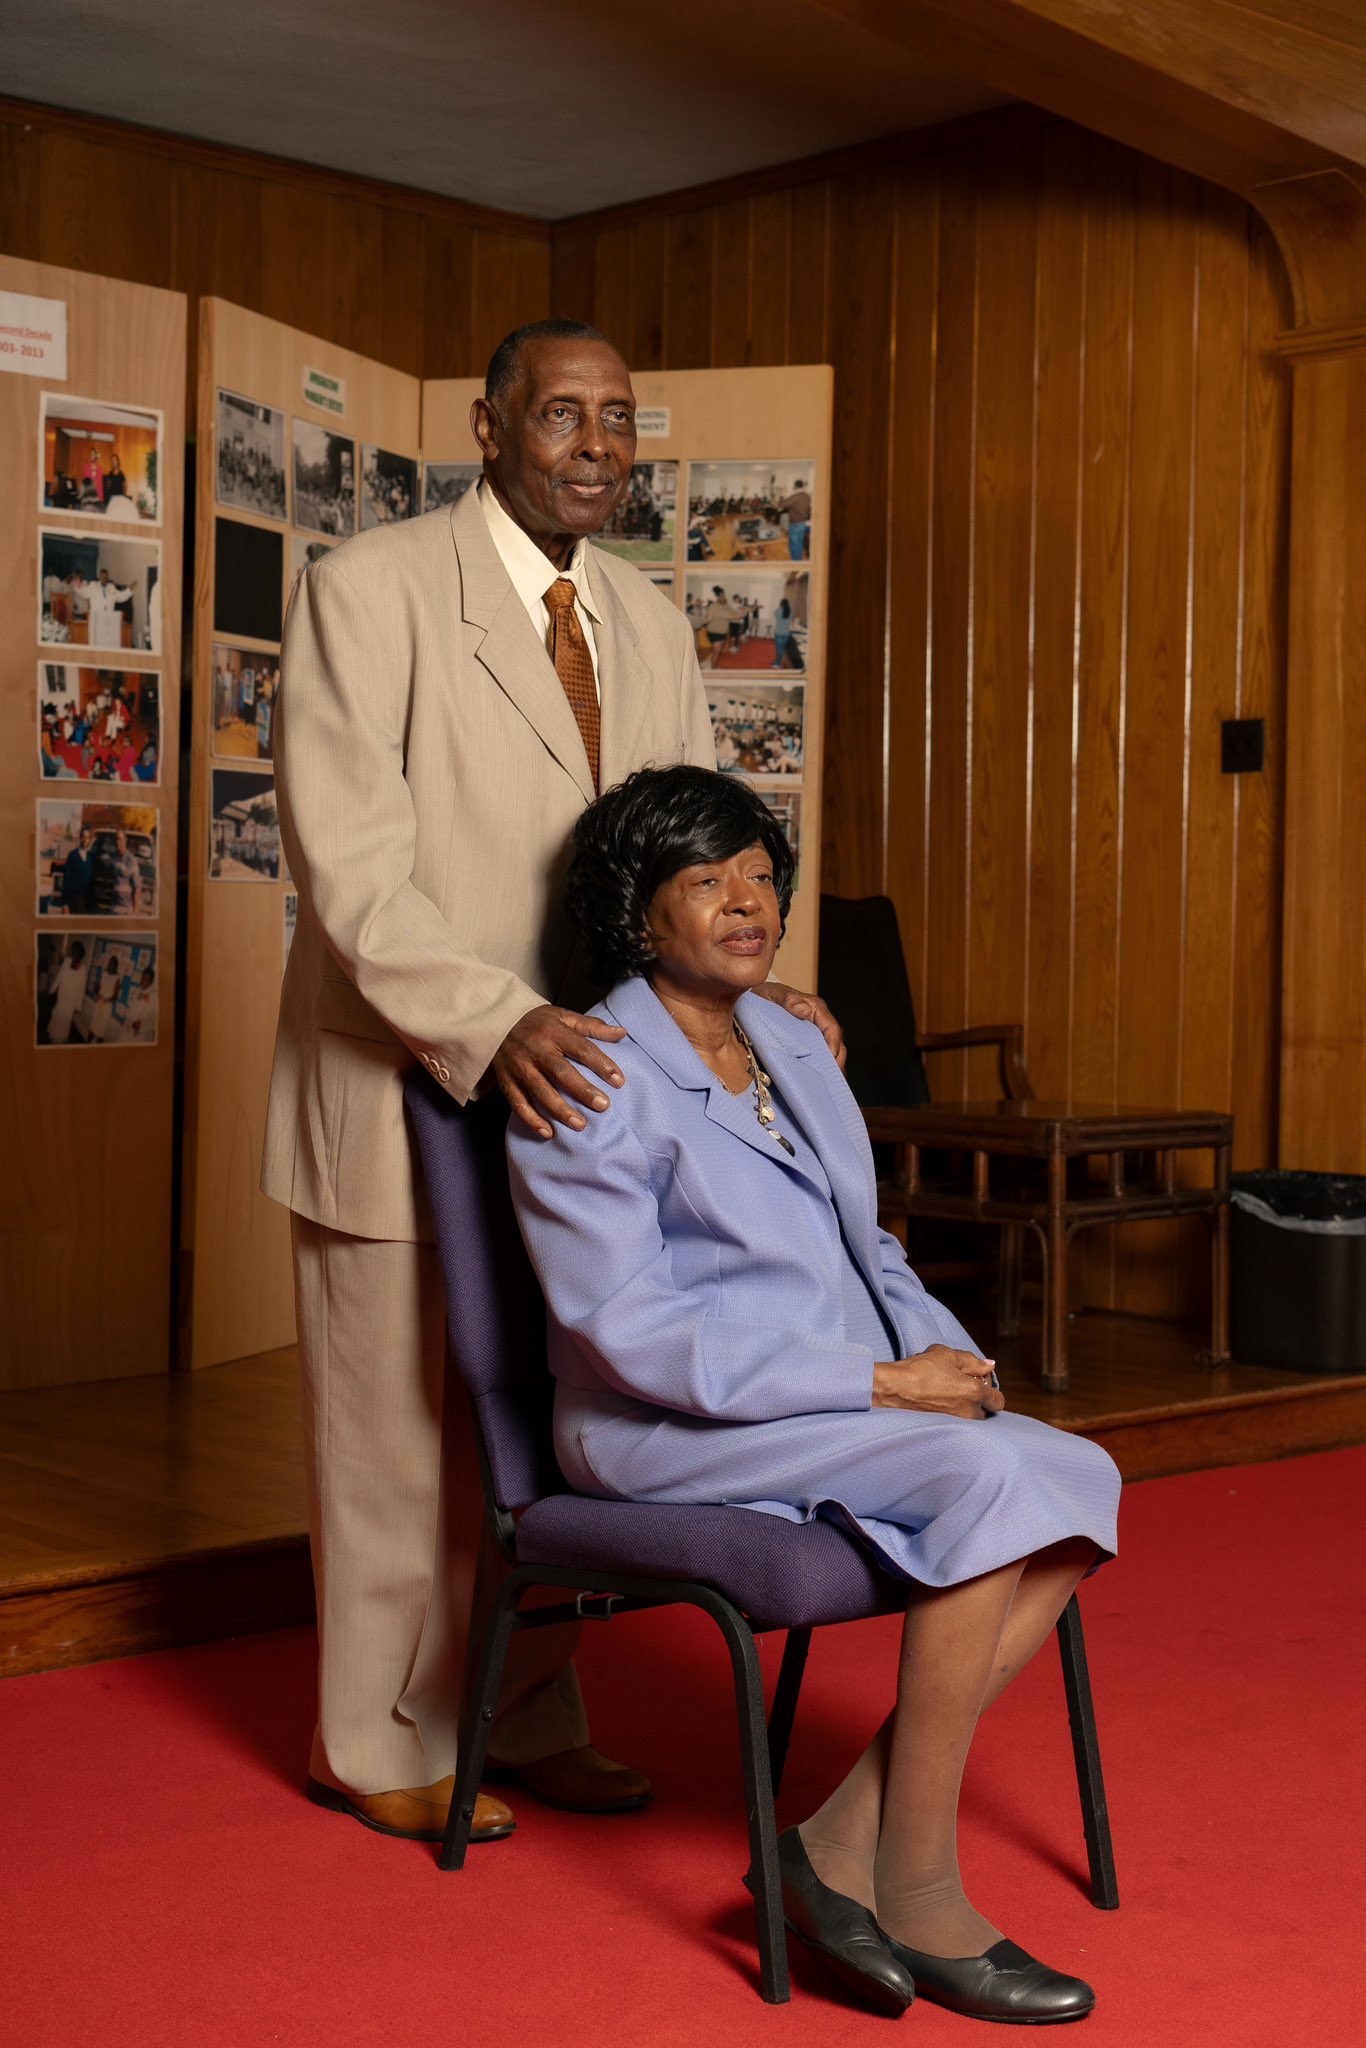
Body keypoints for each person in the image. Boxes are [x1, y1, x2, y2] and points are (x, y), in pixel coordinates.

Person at [263, 320, 843, 1852]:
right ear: (488, 427)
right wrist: (497, 1021)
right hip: (410, 1069)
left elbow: (688, 851)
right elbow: (349, 870)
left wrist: (746, 986)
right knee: (394, 1432)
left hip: (591, 1101)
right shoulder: (367, 591)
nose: (595, 445)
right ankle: (375, 1735)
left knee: (558, 1407)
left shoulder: (649, 624)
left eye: (618, 421)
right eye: (561, 415)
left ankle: (523, 1717)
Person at [507, 766, 1120, 2025]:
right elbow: (627, 1333)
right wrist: (884, 1384)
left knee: (1076, 1474)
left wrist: (957, 1365)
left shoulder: (793, 1037)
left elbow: (866, 1248)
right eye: (705, 880)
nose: (746, 902)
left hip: (838, 1396)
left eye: (759, 874)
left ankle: (832, 1837)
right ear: (638, 910)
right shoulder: (591, 1077)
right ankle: (919, 1877)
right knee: (990, 1478)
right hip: (658, 1426)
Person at [44, 939, 88, 1045]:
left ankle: (59, 1040)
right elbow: (59, 977)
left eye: (74, 951)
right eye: (73, 951)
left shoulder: (83, 970)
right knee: (58, 1015)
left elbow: (81, 989)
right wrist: (53, 989)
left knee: (65, 1020)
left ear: (79, 954)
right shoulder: (67, 962)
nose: (72, 953)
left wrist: (78, 1005)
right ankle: (53, 1036)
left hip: (70, 1001)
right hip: (62, 996)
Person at [60, 826, 96, 914]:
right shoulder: (72, 856)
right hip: (73, 901)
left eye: (87, 838)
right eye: (83, 837)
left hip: (87, 903)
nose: (85, 840)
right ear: (80, 838)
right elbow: (66, 880)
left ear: (90, 840)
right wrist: (65, 904)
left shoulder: (92, 857)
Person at [779, 478, 811, 560]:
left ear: (795, 487)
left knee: (794, 546)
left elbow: (782, 505)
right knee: (799, 544)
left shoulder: (795, 497)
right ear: (803, 487)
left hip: (795, 524)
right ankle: (797, 564)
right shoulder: (807, 496)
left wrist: (782, 495)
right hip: (803, 523)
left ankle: (796, 566)